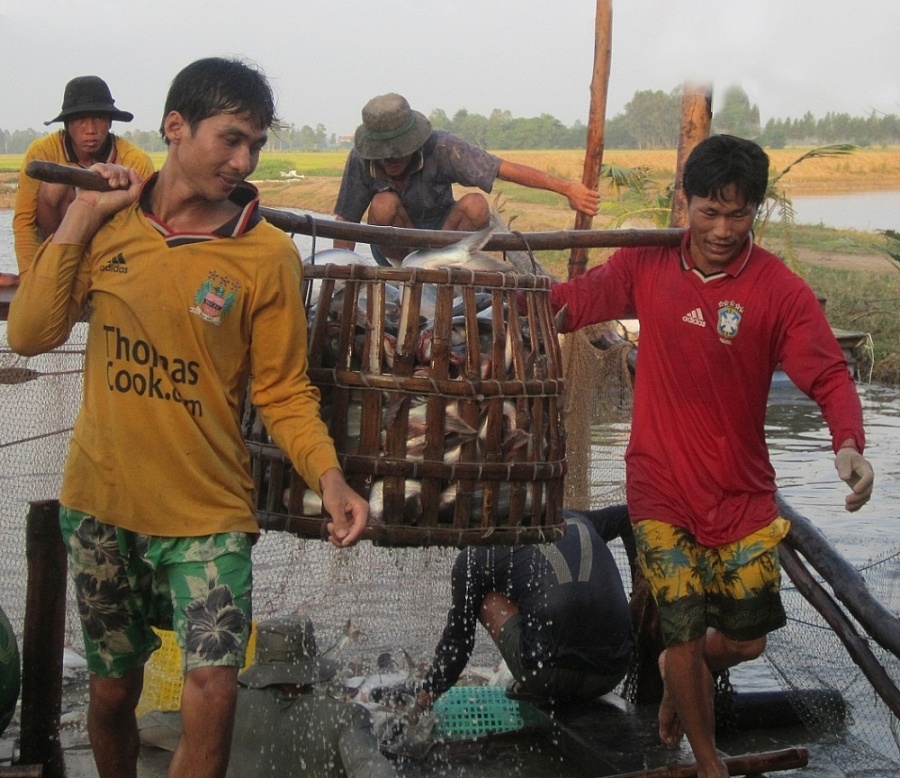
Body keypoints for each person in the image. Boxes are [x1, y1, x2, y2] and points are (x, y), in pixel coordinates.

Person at [7, 57, 369, 778]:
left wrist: (330, 479)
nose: (243, 161)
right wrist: (82, 215)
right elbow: (29, 334)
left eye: (255, 146)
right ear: (175, 127)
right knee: (113, 692)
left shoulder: (266, 256)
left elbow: (284, 391)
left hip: (208, 512)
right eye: (230, 139)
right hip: (102, 505)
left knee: (213, 690)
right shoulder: (111, 225)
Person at [549, 134, 875, 778]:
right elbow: (571, 304)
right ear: (685, 202)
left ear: (755, 209)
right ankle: (708, 762)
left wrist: (848, 444)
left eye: (738, 214)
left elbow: (829, 374)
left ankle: (680, 678)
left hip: (741, 494)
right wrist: (506, 294)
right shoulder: (644, 264)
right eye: (709, 212)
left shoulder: (778, 289)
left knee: (746, 640)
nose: (723, 230)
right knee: (680, 630)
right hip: (660, 486)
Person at [333, 92, 600, 265]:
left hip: (444, 235)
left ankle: (445, 265)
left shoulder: (443, 147)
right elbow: (346, 219)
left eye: (397, 153)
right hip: (396, 247)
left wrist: (567, 189)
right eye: (382, 155)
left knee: (476, 204)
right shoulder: (360, 159)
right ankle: (404, 271)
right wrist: (338, 271)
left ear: (413, 144)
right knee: (383, 204)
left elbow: (502, 168)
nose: (389, 160)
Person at [417, 507, 635, 710]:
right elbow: (628, 515)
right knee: (535, 584)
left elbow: (458, 645)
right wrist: (638, 587)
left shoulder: (475, 555)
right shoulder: (576, 518)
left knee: (484, 594)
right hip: (612, 671)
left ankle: (535, 680)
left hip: (544, 676)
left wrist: (426, 695)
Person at [139, 616, 398, 778]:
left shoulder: (225, 709)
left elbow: (146, 729)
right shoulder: (345, 717)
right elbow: (369, 766)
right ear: (309, 669)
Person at [13, 75, 154, 274]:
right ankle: (54, 265)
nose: (90, 130)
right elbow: (24, 223)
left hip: (110, 253)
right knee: (54, 186)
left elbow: (148, 228)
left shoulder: (135, 161)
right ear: (67, 124)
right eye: (81, 120)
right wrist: (29, 277)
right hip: (56, 244)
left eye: (99, 119)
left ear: (110, 122)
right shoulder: (42, 152)